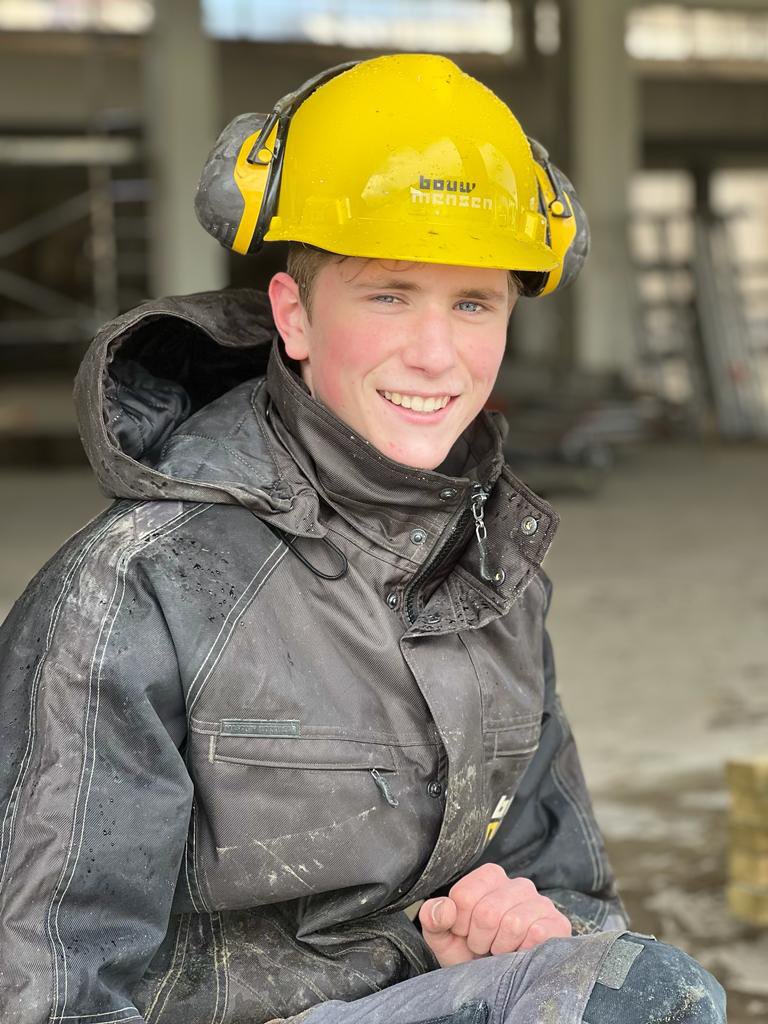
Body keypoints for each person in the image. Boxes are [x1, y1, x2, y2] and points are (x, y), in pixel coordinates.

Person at [0, 54, 725, 1024]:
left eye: (473, 303)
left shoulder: (491, 571)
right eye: (389, 294)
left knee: (635, 991)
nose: (435, 353)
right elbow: (50, 983)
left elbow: (582, 908)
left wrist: (519, 939)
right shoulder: (138, 592)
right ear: (293, 316)